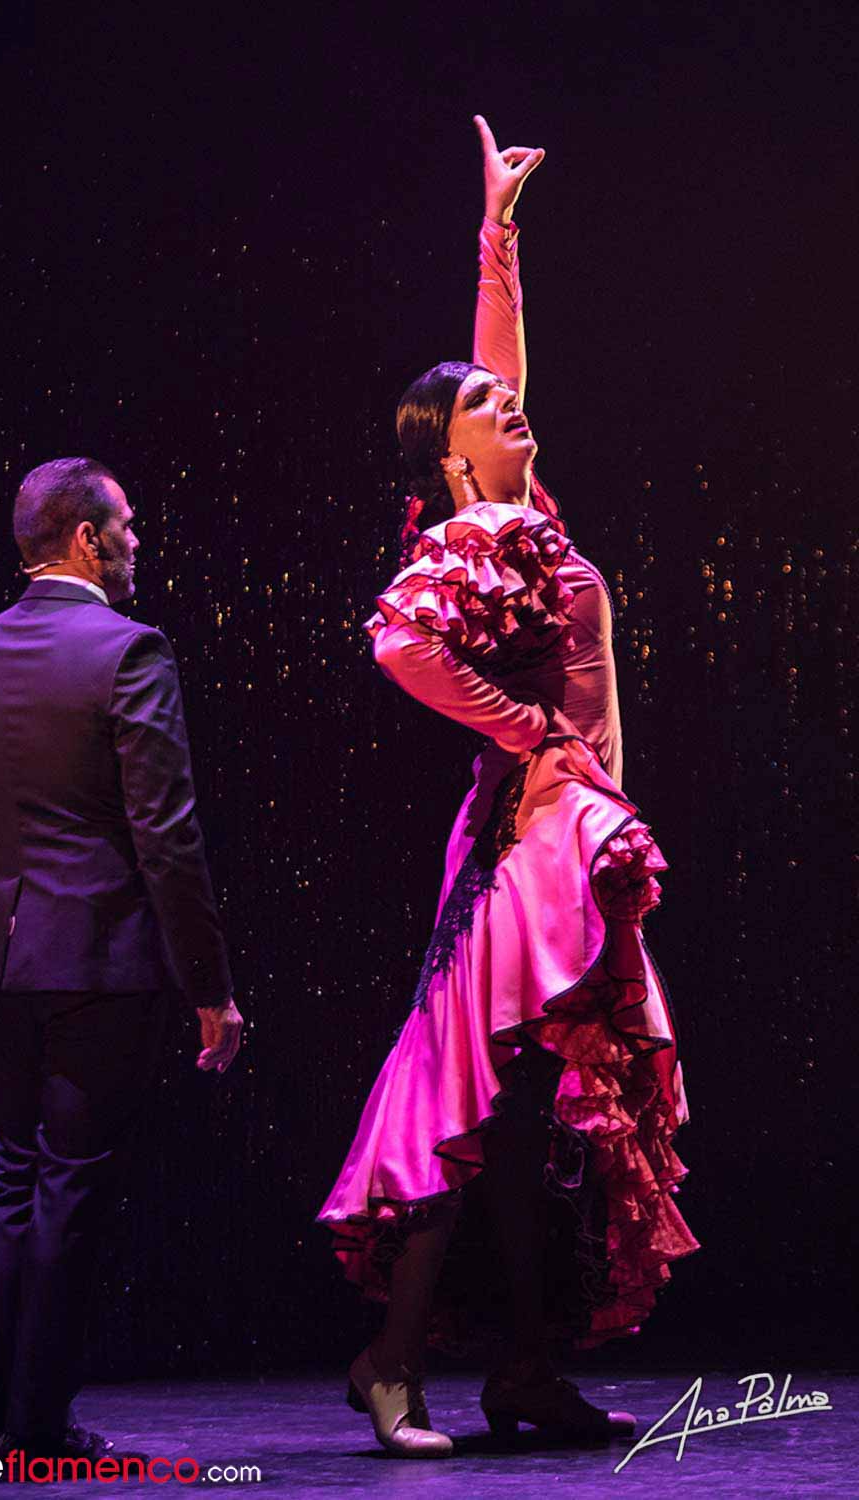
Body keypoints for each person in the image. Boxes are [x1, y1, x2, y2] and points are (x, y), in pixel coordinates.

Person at [318, 117, 700, 1458]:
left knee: (530, 1115)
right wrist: (525, 726)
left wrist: (499, 234)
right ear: (450, 460)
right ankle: (389, 1364)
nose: (507, 405)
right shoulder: (480, 528)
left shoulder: (530, 519)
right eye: (482, 411)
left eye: (504, 396)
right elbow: (397, 642)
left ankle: (527, 1370)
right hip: (524, 843)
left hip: (565, 838)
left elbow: (500, 370)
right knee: (467, 1101)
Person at [0, 457, 243, 1467]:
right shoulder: (130, 650)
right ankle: (35, 1427)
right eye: (128, 525)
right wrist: (210, 988)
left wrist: (24, 869)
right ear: (85, 539)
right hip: (100, 959)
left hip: (6, 957)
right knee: (67, 1187)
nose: (138, 542)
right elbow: (168, 837)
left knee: (9, 1177)